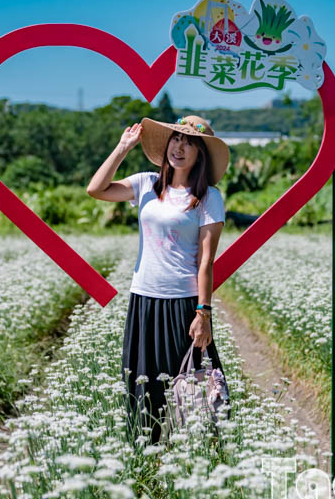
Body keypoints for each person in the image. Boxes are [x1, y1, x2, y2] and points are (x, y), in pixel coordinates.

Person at [86, 115, 230, 445]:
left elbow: (205, 260)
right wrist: (123, 148)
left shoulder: (209, 197)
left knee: (192, 387)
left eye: (190, 143)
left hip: (183, 304)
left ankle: (197, 458)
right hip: (144, 300)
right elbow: (96, 189)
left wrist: (203, 313)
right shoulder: (147, 184)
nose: (180, 148)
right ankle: (146, 461)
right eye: (176, 139)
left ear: (200, 155)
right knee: (142, 388)